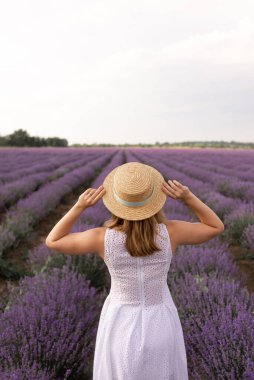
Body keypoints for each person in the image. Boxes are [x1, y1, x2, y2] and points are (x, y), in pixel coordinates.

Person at [45, 161, 224, 380]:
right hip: (160, 317)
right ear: (155, 201)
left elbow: (53, 240)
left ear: (116, 202)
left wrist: (79, 206)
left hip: (119, 319)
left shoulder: (101, 237)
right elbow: (216, 226)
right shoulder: (172, 232)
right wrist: (188, 198)